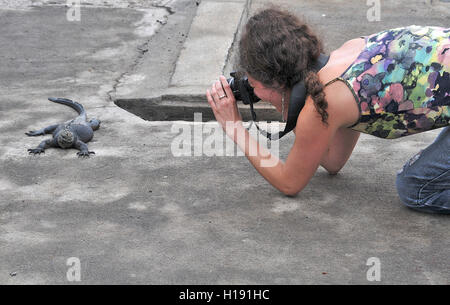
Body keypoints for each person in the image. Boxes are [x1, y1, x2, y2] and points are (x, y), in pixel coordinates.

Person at [206, 8, 450, 214]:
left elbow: (289, 183)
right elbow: (334, 162)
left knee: (414, 187)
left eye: (254, 83)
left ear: (277, 83)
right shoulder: (344, 59)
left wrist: (234, 127)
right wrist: (287, 107)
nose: (252, 90)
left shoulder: (328, 99)